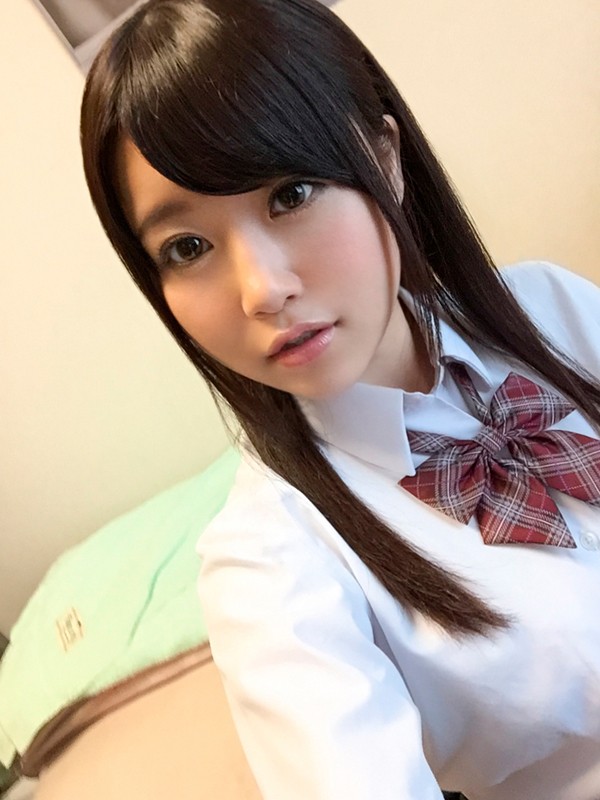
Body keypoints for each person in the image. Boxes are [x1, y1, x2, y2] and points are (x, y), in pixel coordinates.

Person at [79, 0, 600, 797]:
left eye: (290, 194)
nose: (262, 290)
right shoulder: (270, 564)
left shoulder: (549, 309)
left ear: (384, 159)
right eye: (187, 247)